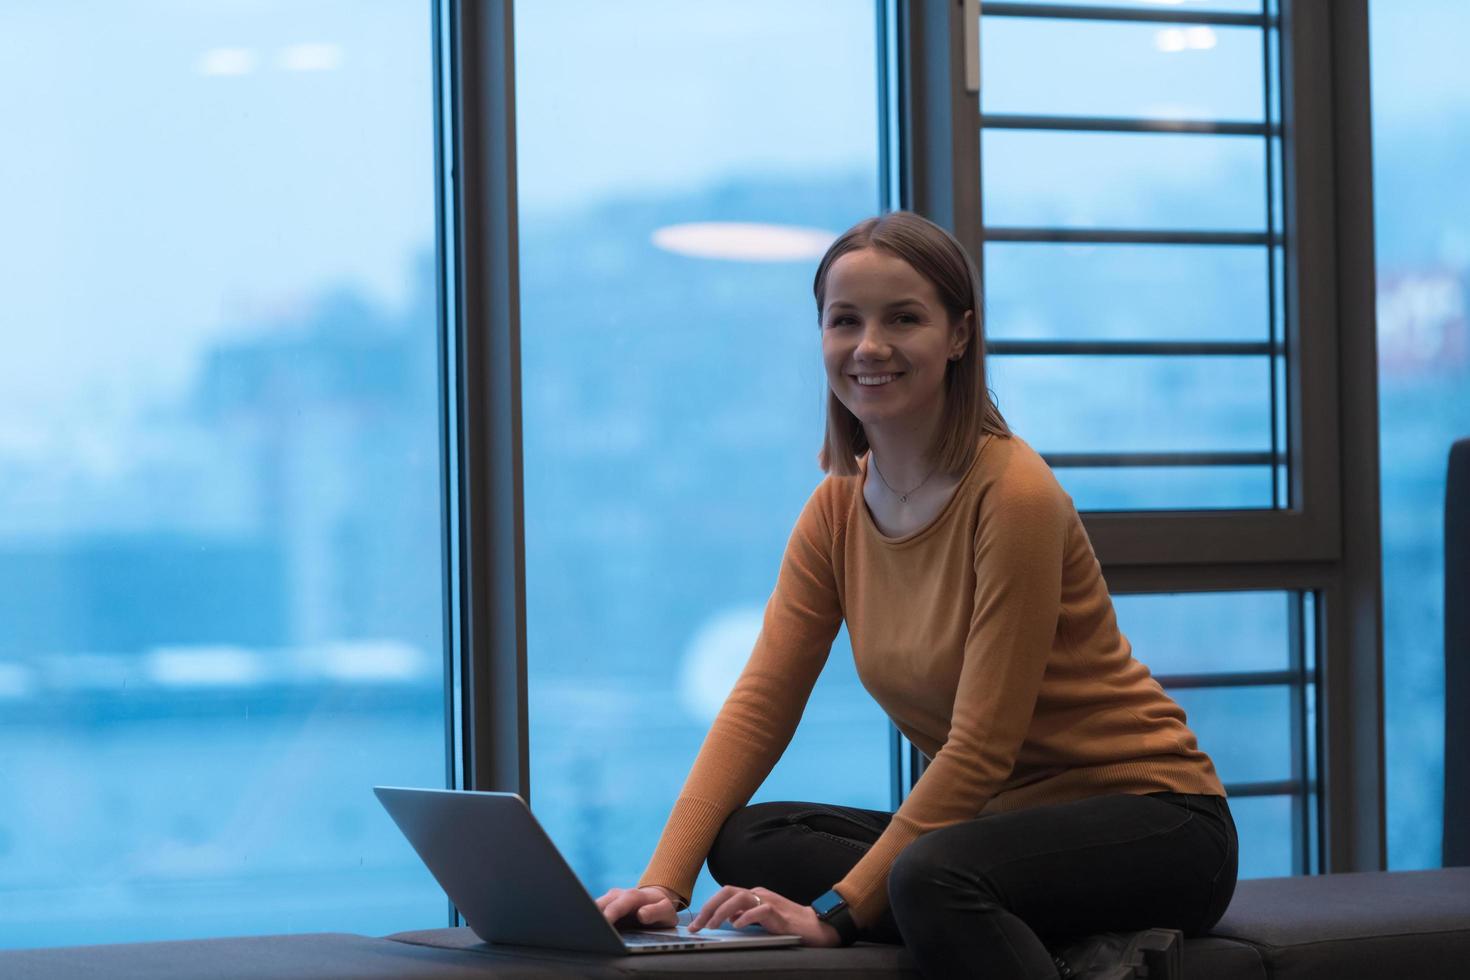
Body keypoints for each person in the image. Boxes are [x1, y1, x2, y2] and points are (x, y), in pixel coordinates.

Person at [593, 210, 1238, 979]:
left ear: (959, 334)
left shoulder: (1013, 496)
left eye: (903, 318)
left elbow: (980, 748)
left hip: (1154, 823)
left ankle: (991, 921)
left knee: (930, 877)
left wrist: (836, 912)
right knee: (748, 840)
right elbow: (760, 705)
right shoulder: (835, 509)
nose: (869, 347)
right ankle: (1033, 935)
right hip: (995, 828)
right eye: (845, 321)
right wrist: (662, 882)